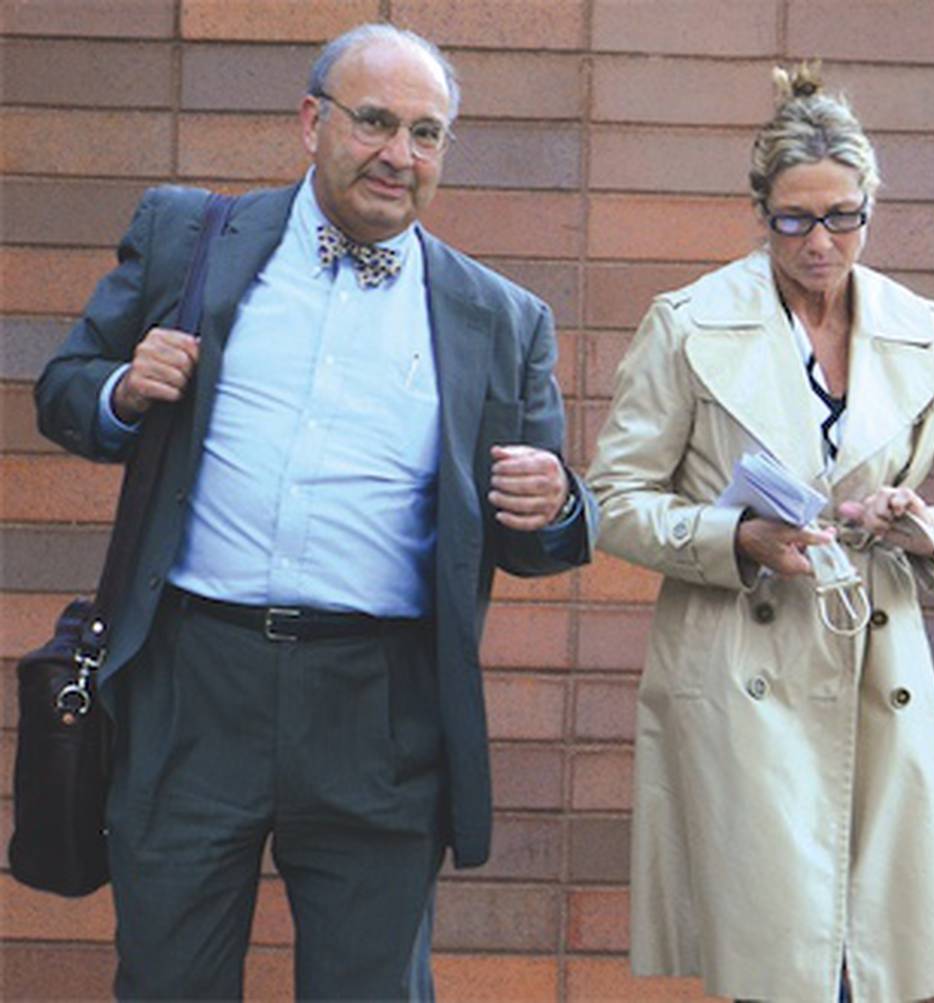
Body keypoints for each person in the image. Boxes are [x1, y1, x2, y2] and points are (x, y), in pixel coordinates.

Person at [34, 24, 592, 999]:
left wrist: (553, 507)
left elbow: (537, 533)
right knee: (166, 981)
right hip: (194, 683)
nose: (398, 155)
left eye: (426, 133)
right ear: (311, 121)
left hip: (378, 707)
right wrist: (122, 390)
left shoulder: (501, 320)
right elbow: (65, 388)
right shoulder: (189, 239)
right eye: (375, 121)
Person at [586, 64, 934, 1003]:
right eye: (794, 219)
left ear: (872, 206)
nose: (820, 242)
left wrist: (918, 525)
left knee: (880, 961)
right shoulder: (690, 325)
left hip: (879, 668)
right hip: (744, 674)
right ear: (759, 211)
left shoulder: (927, 332)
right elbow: (613, 498)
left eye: (843, 216)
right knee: (778, 968)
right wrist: (737, 537)